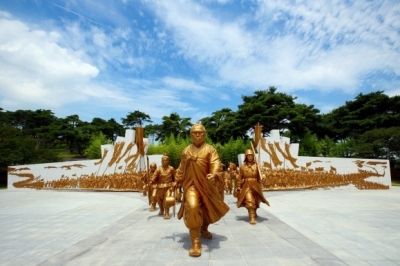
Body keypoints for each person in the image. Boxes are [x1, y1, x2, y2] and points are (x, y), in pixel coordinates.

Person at [175, 123, 230, 257]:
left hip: (206, 185)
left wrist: (214, 173)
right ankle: (195, 241)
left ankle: (204, 228)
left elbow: (215, 162)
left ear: (204, 134)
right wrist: (177, 180)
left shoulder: (210, 149)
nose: (197, 135)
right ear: (190, 135)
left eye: (200, 132)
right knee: (193, 207)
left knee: (207, 208)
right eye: (194, 132)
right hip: (191, 185)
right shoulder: (186, 151)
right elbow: (181, 168)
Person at [236, 149, 270, 225]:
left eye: (251, 155)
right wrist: (238, 186)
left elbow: (262, 173)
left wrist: (263, 177)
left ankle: (254, 212)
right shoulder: (242, 166)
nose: (250, 157)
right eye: (248, 156)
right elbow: (239, 177)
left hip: (256, 185)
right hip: (246, 185)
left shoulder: (257, 165)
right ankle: (252, 217)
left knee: (256, 200)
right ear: (246, 157)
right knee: (249, 201)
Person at [149, 155, 176, 219]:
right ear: (161, 161)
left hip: (168, 187)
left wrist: (175, 184)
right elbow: (154, 176)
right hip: (160, 187)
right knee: (159, 200)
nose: (165, 161)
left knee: (167, 199)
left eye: (166, 160)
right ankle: (161, 209)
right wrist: (151, 181)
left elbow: (175, 178)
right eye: (163, 160)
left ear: (168, 161)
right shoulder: (159, 169)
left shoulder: (171, 169)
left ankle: (167, 212)